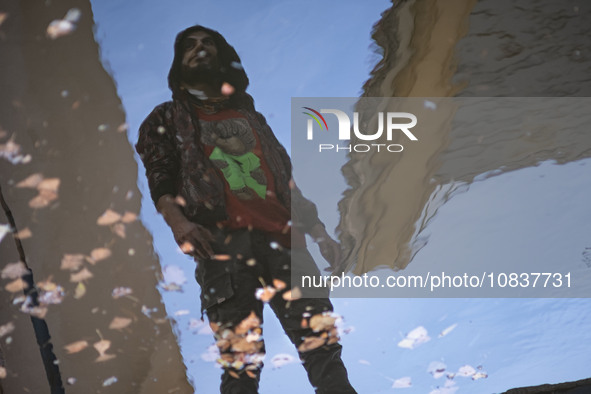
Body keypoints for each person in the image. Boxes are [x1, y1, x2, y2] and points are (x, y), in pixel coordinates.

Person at [136, 25, 357, 394]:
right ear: (180, 61)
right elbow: (160, 177)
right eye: (189, 46)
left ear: (223, 57)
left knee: (325, 351)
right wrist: (179, 223)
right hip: (222, 245)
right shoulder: (165, 118)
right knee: (242, 361)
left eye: (208, 43)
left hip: (289, 245)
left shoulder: (252, 118)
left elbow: (287, 182)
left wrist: (319, 233)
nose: (199, 49)